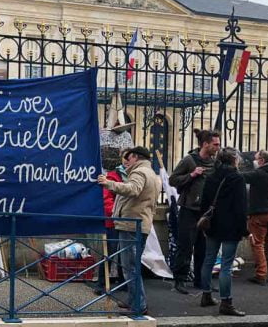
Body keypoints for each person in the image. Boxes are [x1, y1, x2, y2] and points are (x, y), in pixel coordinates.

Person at [98, 146, 161, 314]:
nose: (125, 162)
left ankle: (139, 305)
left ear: (135, 157)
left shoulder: (139, 172)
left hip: (131, 225)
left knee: (130, 267)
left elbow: (133, 189)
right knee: (131, 265)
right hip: (141, 223)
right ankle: (133, 301)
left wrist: (108, 183)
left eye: (128, 158)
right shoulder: (152, 174)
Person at [169, 129, 221, 294]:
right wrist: (192, 175)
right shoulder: (189, 160)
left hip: (207, 212)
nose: (218, 147)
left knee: (203, 247)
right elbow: (173, 180)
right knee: (185, 246)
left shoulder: (215, 163)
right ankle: (180, 280)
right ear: (205, 144)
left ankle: (201, 280)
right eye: (215, 144)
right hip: (189, 210)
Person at [198, 148, 247, 316]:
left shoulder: (212, 176)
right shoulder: (237, 178)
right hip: (230, 226)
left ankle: (206, 294)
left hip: (213, 224)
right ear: (235, 160)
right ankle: (226, 302)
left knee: (208, 259)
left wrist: (205, 221)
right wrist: (244, 230)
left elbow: (204, 201)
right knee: (226, 265)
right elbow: (240, 207)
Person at [241, 150, 268, 285]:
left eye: (256, 159)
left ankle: (261, 274)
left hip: (259, 213)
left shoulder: (259, 173)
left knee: (257, 243)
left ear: (262, 160)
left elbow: (241, 177)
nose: (254, 162)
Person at [94, 146, 126, 296]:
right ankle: (101, 283)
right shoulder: (113, 176)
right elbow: (107, 200)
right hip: (113, 220)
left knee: (121, 252)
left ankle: (122, 280)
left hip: (120, 219)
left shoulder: (121, 176)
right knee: (110, 252)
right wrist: (117, 213)